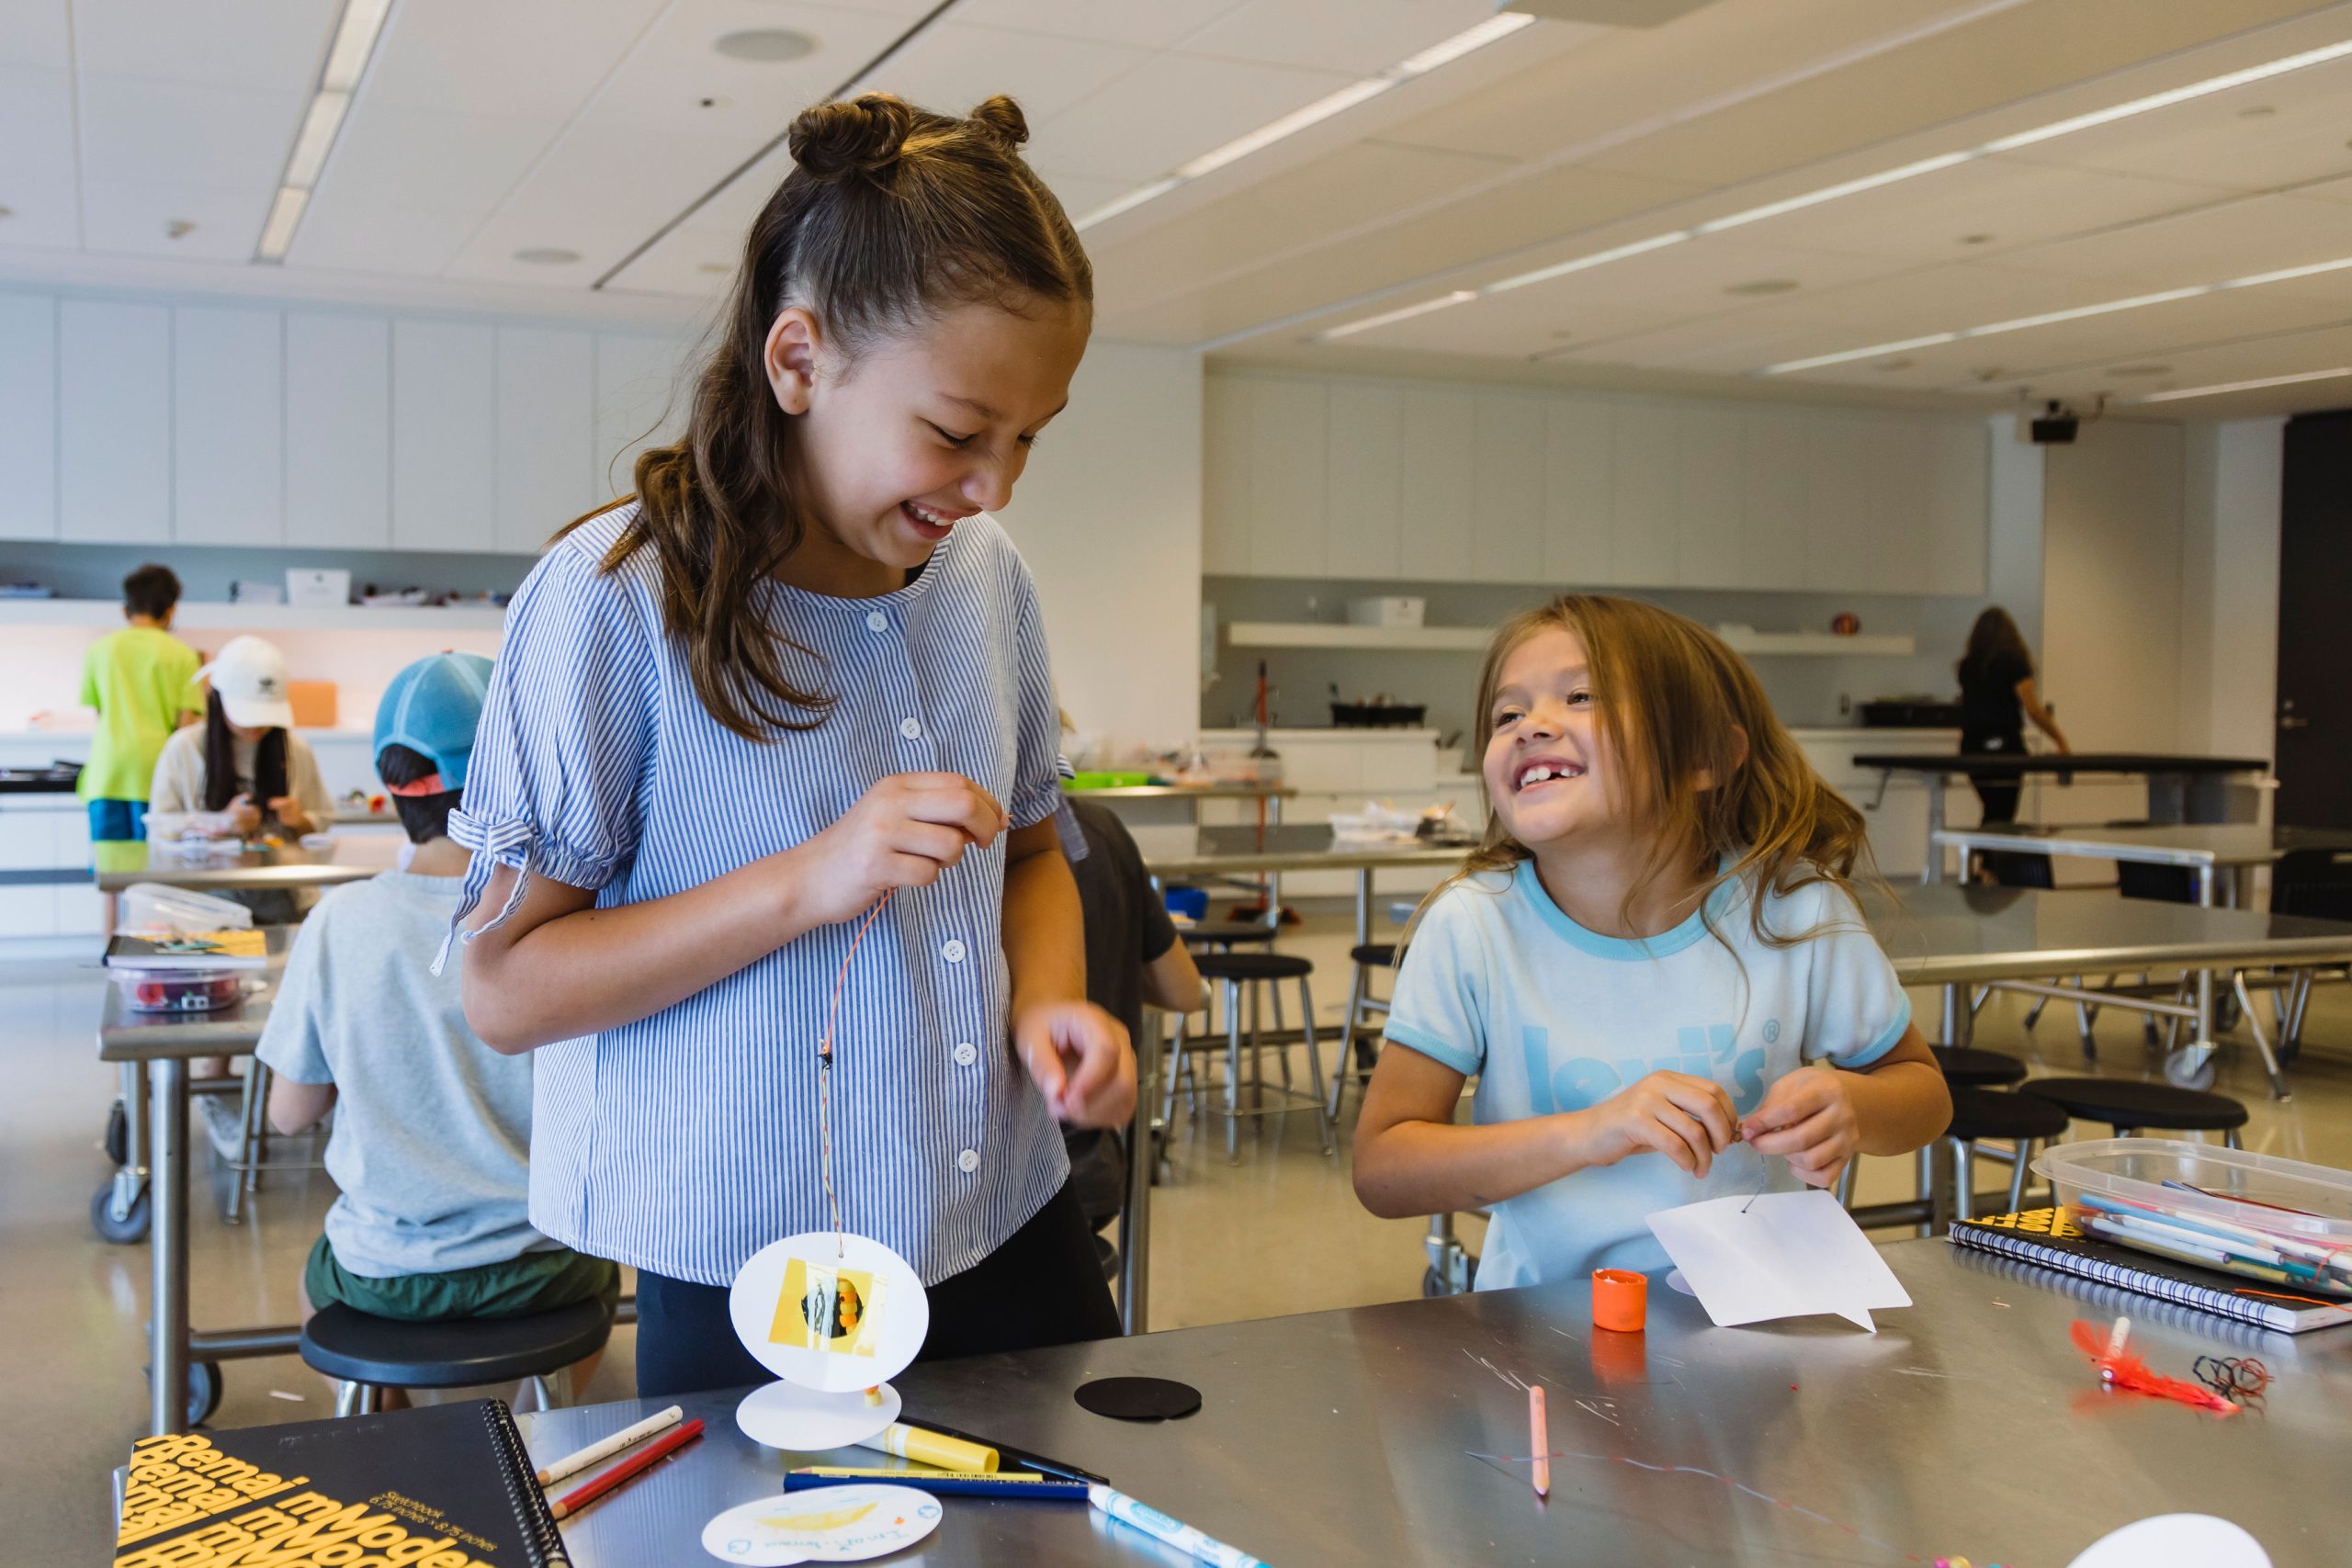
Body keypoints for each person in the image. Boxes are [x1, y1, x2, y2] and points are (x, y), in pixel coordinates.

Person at [445, 93, 1134, 1399]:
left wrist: (1049, 1000)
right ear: (799, 359)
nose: (996, 485)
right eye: (955, 431)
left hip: (1000, 1203)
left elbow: (1034, 851)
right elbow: (506, 987)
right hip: (754, 1255)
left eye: (1029, 435)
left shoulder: (985, 576)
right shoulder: (611, 596)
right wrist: (809, 877)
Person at [1351, 596, 1951, 1287]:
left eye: (1579, 696)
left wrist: (1855, 1105)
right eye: (1507, 714)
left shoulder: (1792, 908)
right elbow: (1384, 1171)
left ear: (1703, 757)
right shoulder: (1473, 926)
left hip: (1750, 1318)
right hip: (1537, 1332)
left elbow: (1924, 1094)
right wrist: (1590, 1131)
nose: (1530, 727)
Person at [260, 653, 617, 1406]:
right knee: (604, 1275)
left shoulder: (338, 923)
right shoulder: (563, 914)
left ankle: (385, 1430)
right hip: (547, 1263)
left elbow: (289, 1114)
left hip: (386, 1273)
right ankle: (535, 1428)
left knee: (314, 1281)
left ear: (393, 787)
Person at [1063, 796, 1203, 1240]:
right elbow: (1183, 989)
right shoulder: (1097, 829)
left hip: (1000, 1191)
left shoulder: (948, 845)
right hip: (1089, 1169)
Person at [147, 634, 333, 841]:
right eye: (248, 717)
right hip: (204, 873)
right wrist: (220, 822)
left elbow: (322, 818)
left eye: (266, 716)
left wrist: (300, 821)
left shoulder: (296, 750)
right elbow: (159, 829)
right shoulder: (184, 748)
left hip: (277, 870)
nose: (258, 727)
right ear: (219, 702)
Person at [77, 564, 202, 845]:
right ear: (171, 609)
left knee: (110, 866)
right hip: (157, 773)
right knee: (156, 863)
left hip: (108, 770)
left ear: (126, 609)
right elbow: (186, 728)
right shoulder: (183, 655)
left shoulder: (100, 650)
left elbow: (100, 713)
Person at [1956, 606, 2068, 885]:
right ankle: (1988, 871)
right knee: (2001, 812)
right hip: (2005, 746)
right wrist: (2060, 739)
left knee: (1993, 809)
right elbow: (2033, 709)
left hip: (1972, 748)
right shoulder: (2015, 662)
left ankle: (1983, 867)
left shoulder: (1968, 666)